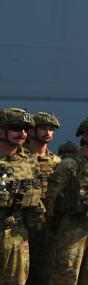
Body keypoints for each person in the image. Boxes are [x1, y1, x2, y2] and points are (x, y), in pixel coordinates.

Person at [44, 116, 88, 285]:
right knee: (65, 276)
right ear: (85, 136)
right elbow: (50, 197)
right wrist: (51, 226)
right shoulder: (69, 165)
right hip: (71, 227)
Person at [0, 108, 45, 285]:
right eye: (16, 128)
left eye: (26, 129)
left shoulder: (30, 161)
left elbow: (37, 202)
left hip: (17, 237)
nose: (22, 133)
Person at [25, 112, 62, 285]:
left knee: (45, 270)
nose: (47, 133)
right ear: (31, 131)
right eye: (43, 128)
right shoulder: (20, 159)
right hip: (22, 223)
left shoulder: (57, 162)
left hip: (48, 223)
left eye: (51, 129)